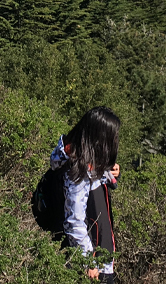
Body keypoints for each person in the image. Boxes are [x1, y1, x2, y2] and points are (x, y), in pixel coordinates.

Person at [49, 106, 121, 283]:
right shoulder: (78, 173)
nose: (115, 141)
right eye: (112, 136)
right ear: (100, 139)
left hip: (98, 257)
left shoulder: (81, 158)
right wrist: (89, 262)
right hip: (94, 264)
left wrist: (108, 172)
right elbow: (74, 221)